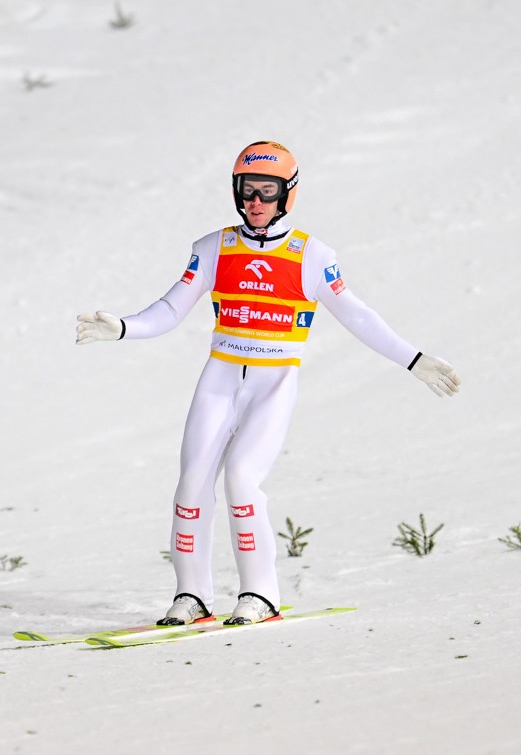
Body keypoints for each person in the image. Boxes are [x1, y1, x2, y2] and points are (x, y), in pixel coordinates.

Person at [76, 141, 460, 626]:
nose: (255, 202)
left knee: (241, 479)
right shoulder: (214, 247)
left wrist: (414, 360)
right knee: (191, 483)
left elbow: (359, 317)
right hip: (219, 378)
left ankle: (260, 593)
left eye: (267, 191)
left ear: (287, 194)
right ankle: (191, 595)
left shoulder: (312, 255)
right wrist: (125, 327)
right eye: (247, 190)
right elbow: (171, 308)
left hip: (273, 383)